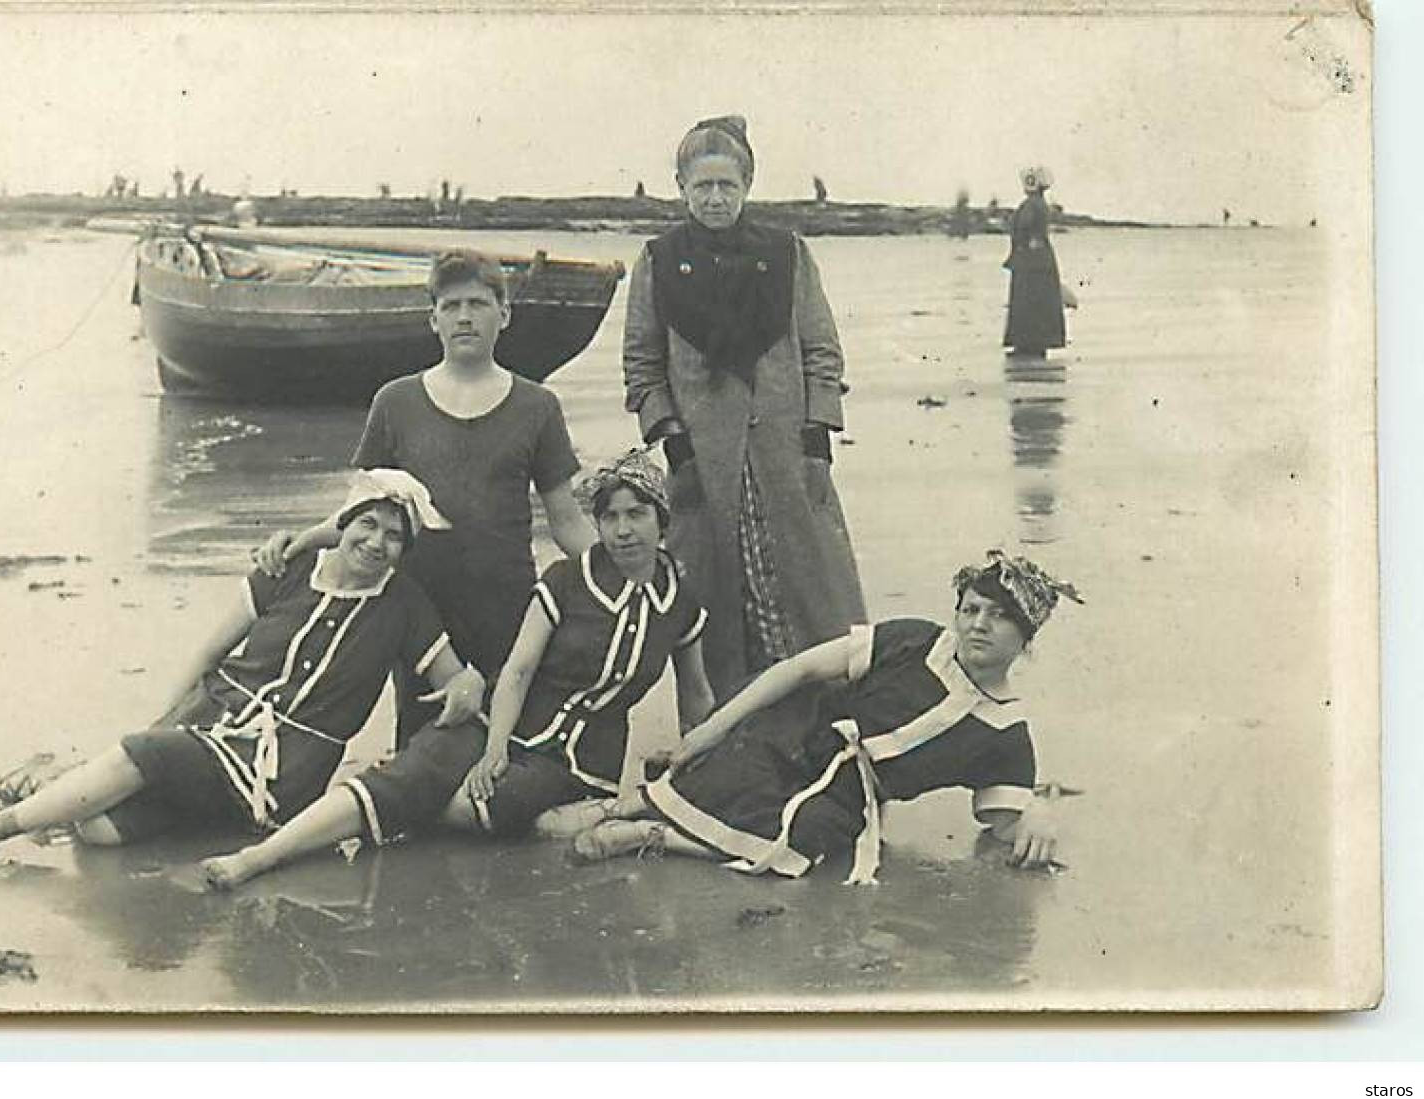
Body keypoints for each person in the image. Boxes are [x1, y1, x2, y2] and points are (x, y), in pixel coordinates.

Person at [0, 470, 486, 872]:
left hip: (280, 769)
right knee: (101, 832)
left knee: (135, 765)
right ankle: (75, 786)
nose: (376, 543)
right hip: (210, 722)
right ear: (346, 522)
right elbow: (209, 655)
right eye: (368, 525)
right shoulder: (289, 568)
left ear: (405, 549)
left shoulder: (405, 604)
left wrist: (469, 687)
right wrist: (163, 730)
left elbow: (455, 679)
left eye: (393, 536)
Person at [199, 449, 715, 890]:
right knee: (414, 778)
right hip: (500, 721)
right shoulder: (567, 581)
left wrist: (695, 773)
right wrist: (493, 751)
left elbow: (695, 697)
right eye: (610, 517)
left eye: (638, 515)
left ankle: (582, 812)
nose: (623, 531)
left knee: (483, 809)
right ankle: (257, 859)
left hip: (579, 764)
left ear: (662, 521)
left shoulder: (682, 605)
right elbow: (517, 671)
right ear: (598, 524)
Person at [569, 550, 1082, 881]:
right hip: (796, 732)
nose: (978, 625)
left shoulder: (1005, 735)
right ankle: (622, 808)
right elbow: (799, 669)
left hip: (846, 793)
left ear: (1026, 636)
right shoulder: (915, 640)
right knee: (722, 767)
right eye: (970, 610)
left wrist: (1038, 813)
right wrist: (704, 733)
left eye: (998, 616)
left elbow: (1003, 823)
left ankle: (655, 837)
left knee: (809, 839)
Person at [256, 249, 598, 740]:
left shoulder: (537, 406)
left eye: (478, 304)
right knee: (421, 742)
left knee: (500, 739)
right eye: (452, 305)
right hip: (416, 606)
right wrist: (300, 541)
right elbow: (360, 512)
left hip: (506, 600)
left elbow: (565, 519)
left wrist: (622, 575)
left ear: (504, 315)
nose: (464, 317)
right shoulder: (395, 402)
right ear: (432, 318)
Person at [622, 115, 866, 699]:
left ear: (747, 185)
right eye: (701, 186)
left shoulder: (787, 255)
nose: (714, 198)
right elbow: (641, 364)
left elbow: (822, 350)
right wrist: (672, 441)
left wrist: (817, 436)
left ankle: (823, 705)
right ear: (680, 187)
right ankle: (729, 717)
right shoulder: (658, 262)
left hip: (787, 455)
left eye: (726, 186)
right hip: (702, 462)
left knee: (812, 591)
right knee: (715, 599)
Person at [1002, 166, 1067, 357]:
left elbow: (1024, 227)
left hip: (1030, 261)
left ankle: (1028, 344)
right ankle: (1034, 343)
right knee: (1038, 302)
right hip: (1038, 259)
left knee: (1028, 301)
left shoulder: (1031, 205)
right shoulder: (1039, 204)